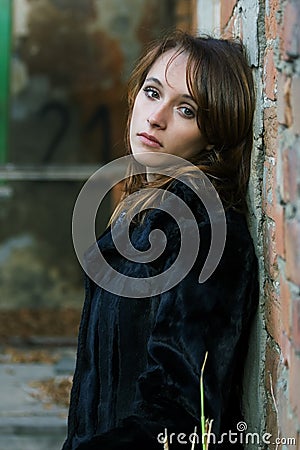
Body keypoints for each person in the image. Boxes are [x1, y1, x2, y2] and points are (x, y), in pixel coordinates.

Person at [62, 30, 258, 449]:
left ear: (215, 135)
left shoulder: (203, 231)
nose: (156, 117)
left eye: (186, 109)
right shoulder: (141, 217)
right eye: (153, 92)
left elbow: (179, 416)